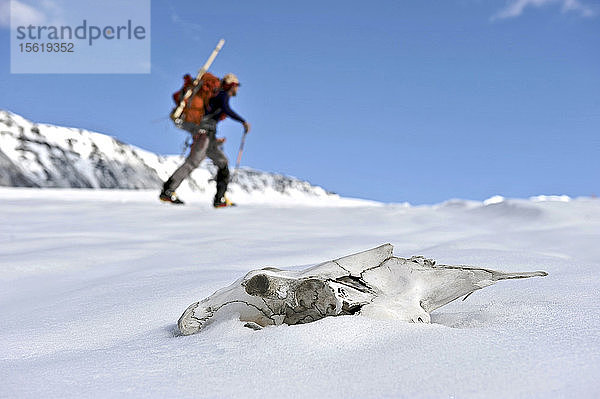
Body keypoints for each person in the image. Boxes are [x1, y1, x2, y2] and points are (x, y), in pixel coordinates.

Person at [160, 73, 250, 207]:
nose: (237, 89)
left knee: (223, 162)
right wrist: (243, 122)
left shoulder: (217, 96)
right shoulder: (222, 95)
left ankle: (220, 198)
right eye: (236, 86)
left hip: (208, 136)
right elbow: (226, 109)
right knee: (193, 162)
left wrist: (215, 140)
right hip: (204, 134)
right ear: (232, 86)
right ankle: (168, 190)